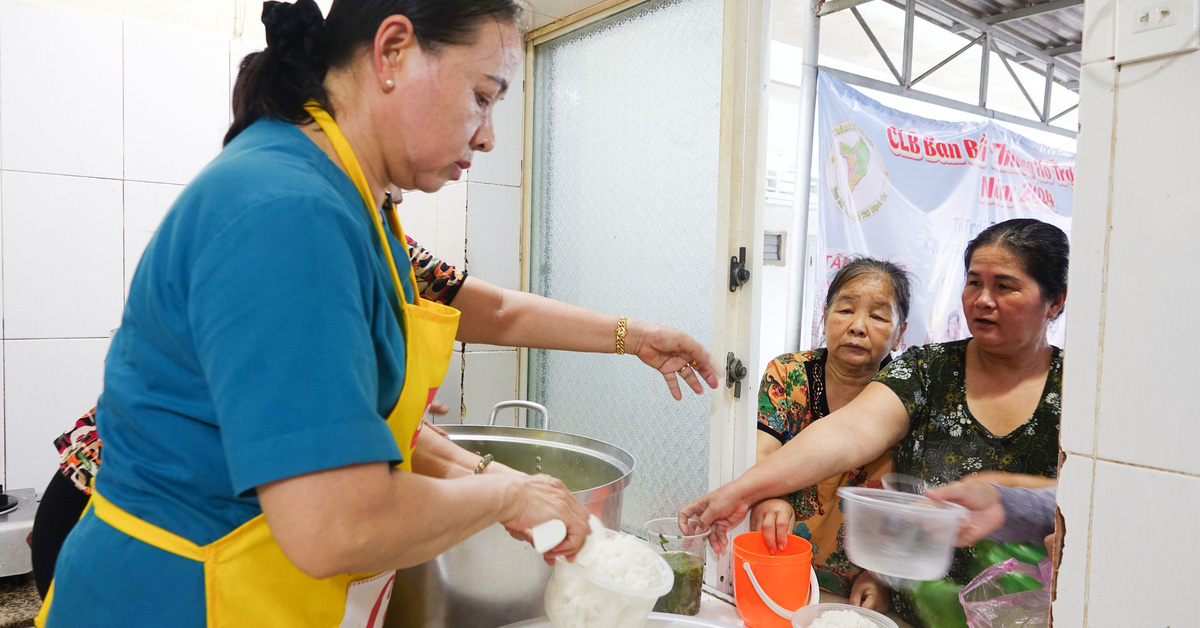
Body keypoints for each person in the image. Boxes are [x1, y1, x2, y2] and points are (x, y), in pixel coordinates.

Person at [37, 2, 717, 626]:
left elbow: (366, 416)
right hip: (173, 597)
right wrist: (509, 497)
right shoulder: (287, 212)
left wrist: (496, 473)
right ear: (393, 51)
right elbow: (333, 523)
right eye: (481, 96)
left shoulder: (364, 212)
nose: (487, 138)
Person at [680, 218, 1068, 626]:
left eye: (1004, 286)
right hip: (913, 611)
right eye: (974, 283)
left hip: (1026, 613)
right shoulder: (927, 370)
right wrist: (741, 493)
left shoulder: (1079, 394)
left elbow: (1099, 493)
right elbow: (847, 431)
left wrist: (1016, 498)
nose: (984, 300)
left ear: (1055, 301)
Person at [751, 257, 910, 611]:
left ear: (900, 332)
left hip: (863, 588)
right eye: (845, 310)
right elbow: (762, 453)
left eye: (879, 316)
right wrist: (767, 498)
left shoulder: (909, 393)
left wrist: (882, 576)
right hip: (781, 564)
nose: (857, 326)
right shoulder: (789, 372)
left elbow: (913, 502)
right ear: (824, 316)